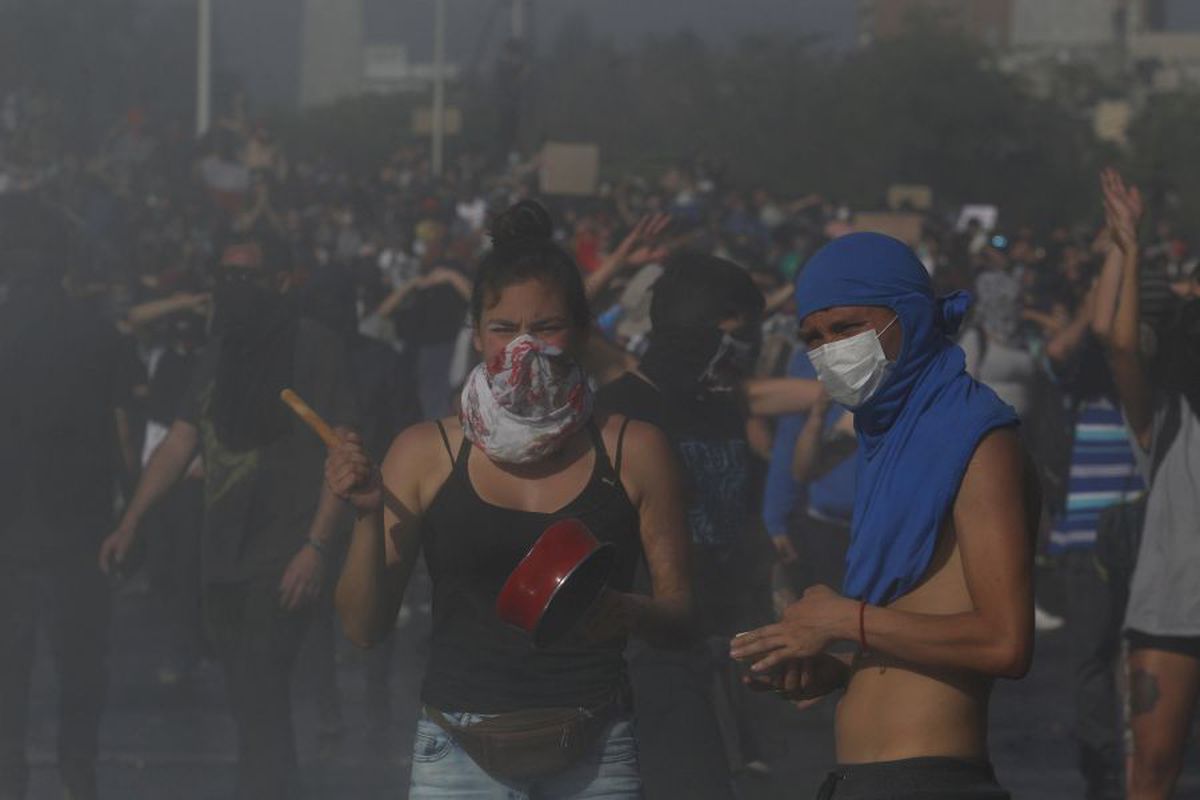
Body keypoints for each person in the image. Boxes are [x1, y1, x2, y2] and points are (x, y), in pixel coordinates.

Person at [329, 200, 693, 799]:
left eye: (546, 328)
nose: (524, 347)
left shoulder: (634, 449)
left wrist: (633, 612)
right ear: (475, 336)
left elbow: (683, 616)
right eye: (503, 330)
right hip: (458, 753)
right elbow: (365, 628)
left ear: (579, 332)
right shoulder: (425, 452)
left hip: (595, 747)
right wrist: (366, 519)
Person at [730, 232, 1039, 799]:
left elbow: (1005, 643)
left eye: (848, 328)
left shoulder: (975, 438)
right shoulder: (887, 437)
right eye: (815, 338)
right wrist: (843, 664)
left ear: (911, 317)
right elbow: (926, 621)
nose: (831, 350)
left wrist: (843, 621)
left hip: (929, 780)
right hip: (863, 778)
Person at [98, 239, 357, 800]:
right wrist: (132, 521)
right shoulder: (219, 351)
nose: (234, 288)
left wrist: (316, 546)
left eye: (249, 277)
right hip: (223, 556)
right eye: (226, 276)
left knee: (262, 696)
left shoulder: (316, 348)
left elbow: (345, 452)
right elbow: (181, 440)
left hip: (284, 553)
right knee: (249, 704)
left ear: (284, 281)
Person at [595, 253, 770, 798]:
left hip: (719, 653)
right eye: (737, 333)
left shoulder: (720, 408)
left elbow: (740, 519)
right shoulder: (619, 412)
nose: (749, 349)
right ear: (699, 330)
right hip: (644, 657)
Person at [0, 196, 127, 800]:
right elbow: (117, 429)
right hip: (78, 523)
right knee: (81, 666)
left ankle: (10, 775)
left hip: (8, 523)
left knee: (7, 672)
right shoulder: (96, 334)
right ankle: (78, 772)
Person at [1096, 169, 1200, 800]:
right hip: (1171, 615)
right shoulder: (1166, 420)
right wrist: (1126, 250)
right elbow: (1121, 347)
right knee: (1151, 775)